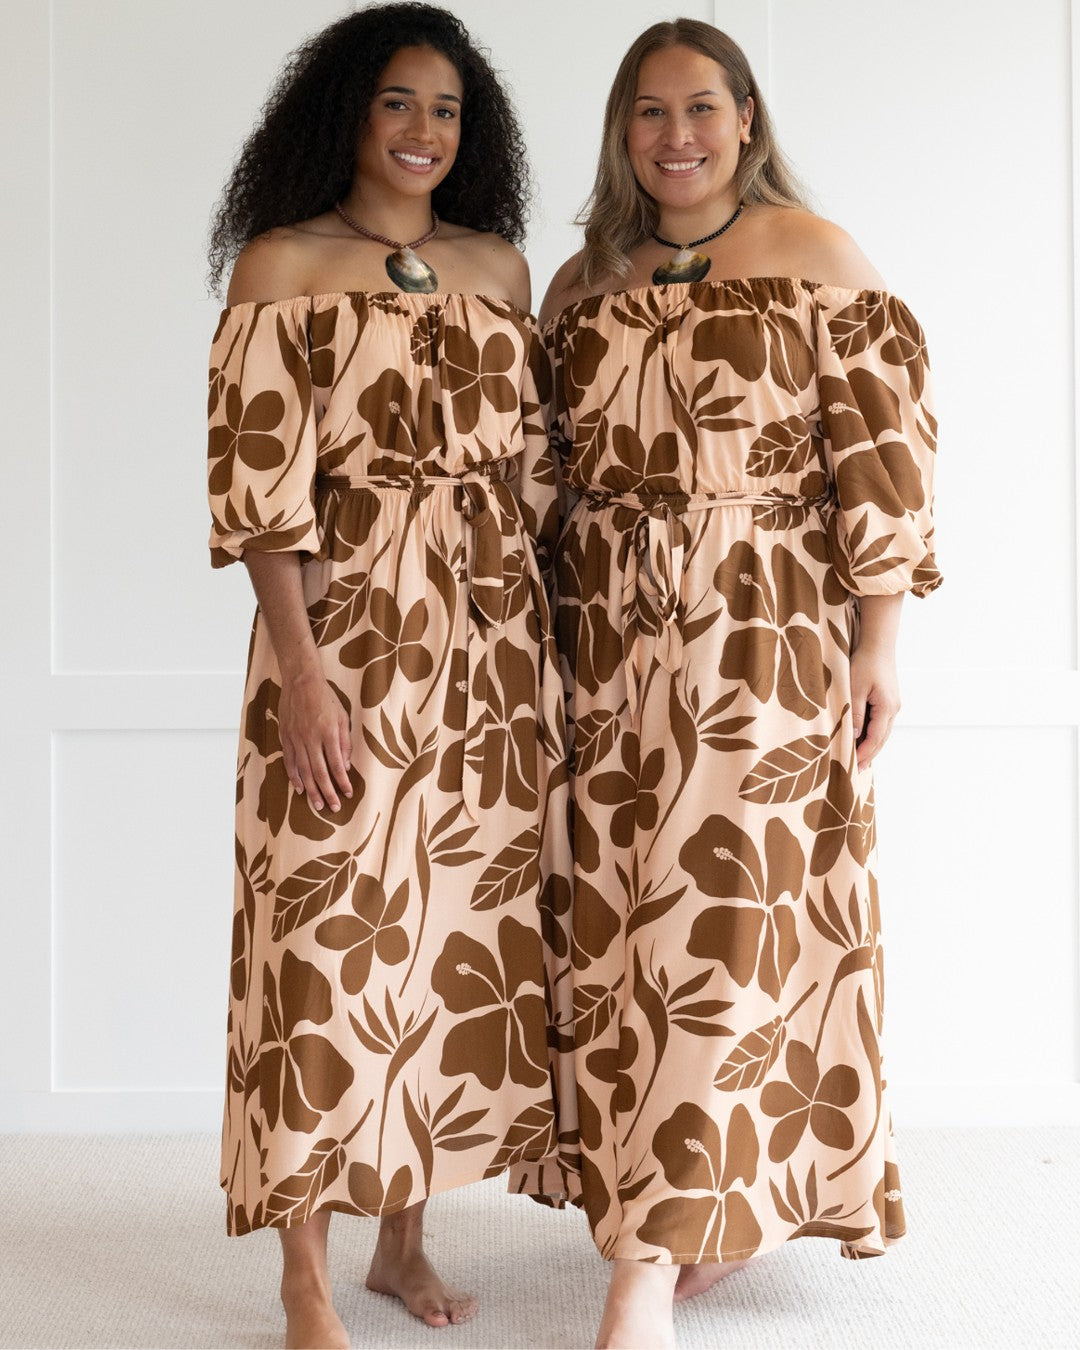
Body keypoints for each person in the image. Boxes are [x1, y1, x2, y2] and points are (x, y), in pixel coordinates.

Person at [537, 18, 942, 1350]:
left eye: (702, 107)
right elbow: (540, 480)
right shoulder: (582, 281)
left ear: (748, 117)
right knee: (624, 931)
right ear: (623, 130)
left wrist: (880, 641)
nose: (678, 136)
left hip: (764, 626)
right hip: (607, 634)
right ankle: (689, 1207)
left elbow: (885, 457)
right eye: (650, 112)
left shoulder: (814, 255)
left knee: (729, 921)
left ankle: (647, 1259)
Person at [205, 6, 568, 1347]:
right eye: (399, 102)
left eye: (449, 110)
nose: (424, 131)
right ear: (348, 111)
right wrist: (301, 674)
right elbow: (260, 491)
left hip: (491, 641)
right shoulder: (282, 264)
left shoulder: (499, 268)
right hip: (345, 630)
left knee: (444, 936)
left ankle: (400, 1241)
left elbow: (535, 468)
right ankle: (303, 1269)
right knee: (322, 938)